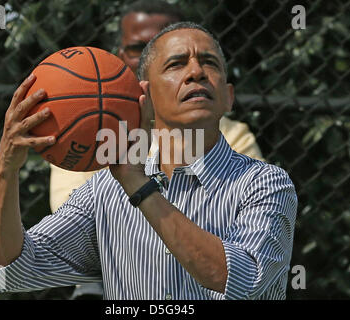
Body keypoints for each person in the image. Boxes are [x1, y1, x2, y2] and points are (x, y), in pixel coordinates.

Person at [0, 22, 297, 299]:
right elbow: (11, 270)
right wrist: (7, 168)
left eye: (209, 63)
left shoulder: (265, 184)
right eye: (176, 64)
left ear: (228, 96)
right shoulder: (105, 191)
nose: (196, 72)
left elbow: (240, 280)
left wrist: (138, 185)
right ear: (142, 94)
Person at [49, 0, 263, 214]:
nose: (147, 59)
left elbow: (243, 214)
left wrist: (137, 189)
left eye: (171, 55)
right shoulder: (85, 127)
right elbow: (72, 220)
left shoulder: (229, 134)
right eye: (138, 48)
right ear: (120, 58)